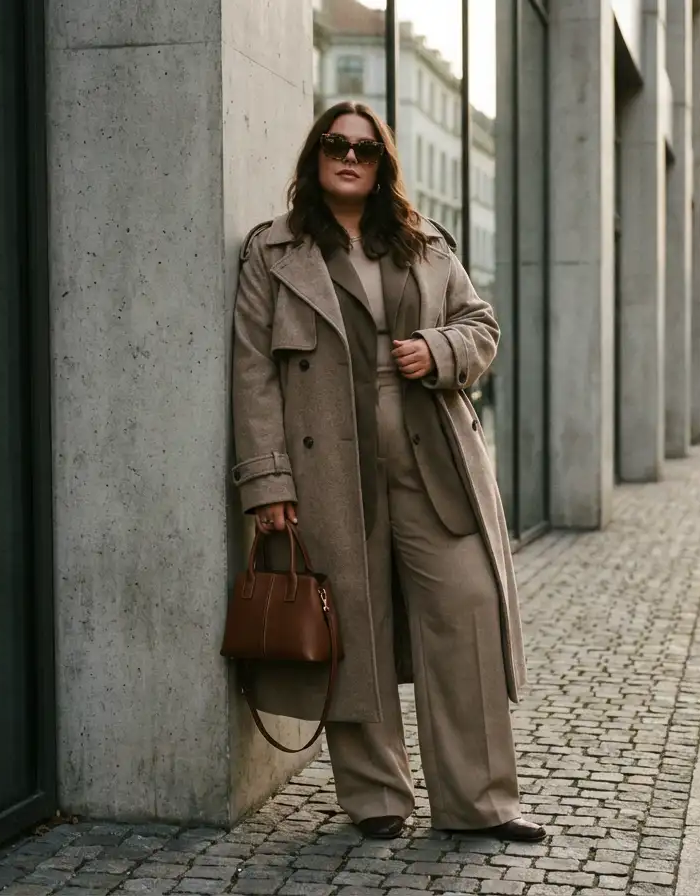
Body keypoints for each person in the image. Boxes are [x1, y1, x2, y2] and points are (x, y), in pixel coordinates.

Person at [231, 101, 543, 842]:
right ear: (315, 156)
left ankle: (481, 802)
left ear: (382, 166)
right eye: (335, 145)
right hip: (327, 472)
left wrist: (438, 350)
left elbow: (482, 325)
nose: (349, 157)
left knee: (465, 612)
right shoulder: (272, 254)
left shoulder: (423, 242)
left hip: (432, 462)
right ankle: (376, 797)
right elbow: (252, 375)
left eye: (364, 150)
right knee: (355, 627)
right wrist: (268, 484)